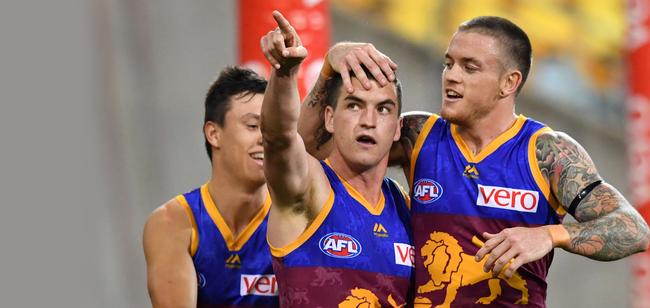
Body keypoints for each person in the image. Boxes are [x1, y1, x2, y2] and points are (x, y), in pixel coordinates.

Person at [303, 16, 650, 307]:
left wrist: (548, 235)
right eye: (449, 63)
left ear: (508, 83)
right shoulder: (418, 135)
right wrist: (328, 69)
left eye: (470, 68)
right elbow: (307, 148)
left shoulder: (546, 152)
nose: (451, 76)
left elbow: (634, 230)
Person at [259, 11, 413, 307]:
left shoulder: (405, 209)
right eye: (355, 106)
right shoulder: (309, 188)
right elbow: (278, 138)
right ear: (329, 118)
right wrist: (284, 73)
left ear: (397, 128)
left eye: (383, 109)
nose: (368, 120)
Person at [143, 67, 279, 307]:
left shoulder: (294, 220)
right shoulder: (173, 223)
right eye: (252, 126)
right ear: (214, 134)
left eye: (271, 127)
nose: (265, 137)